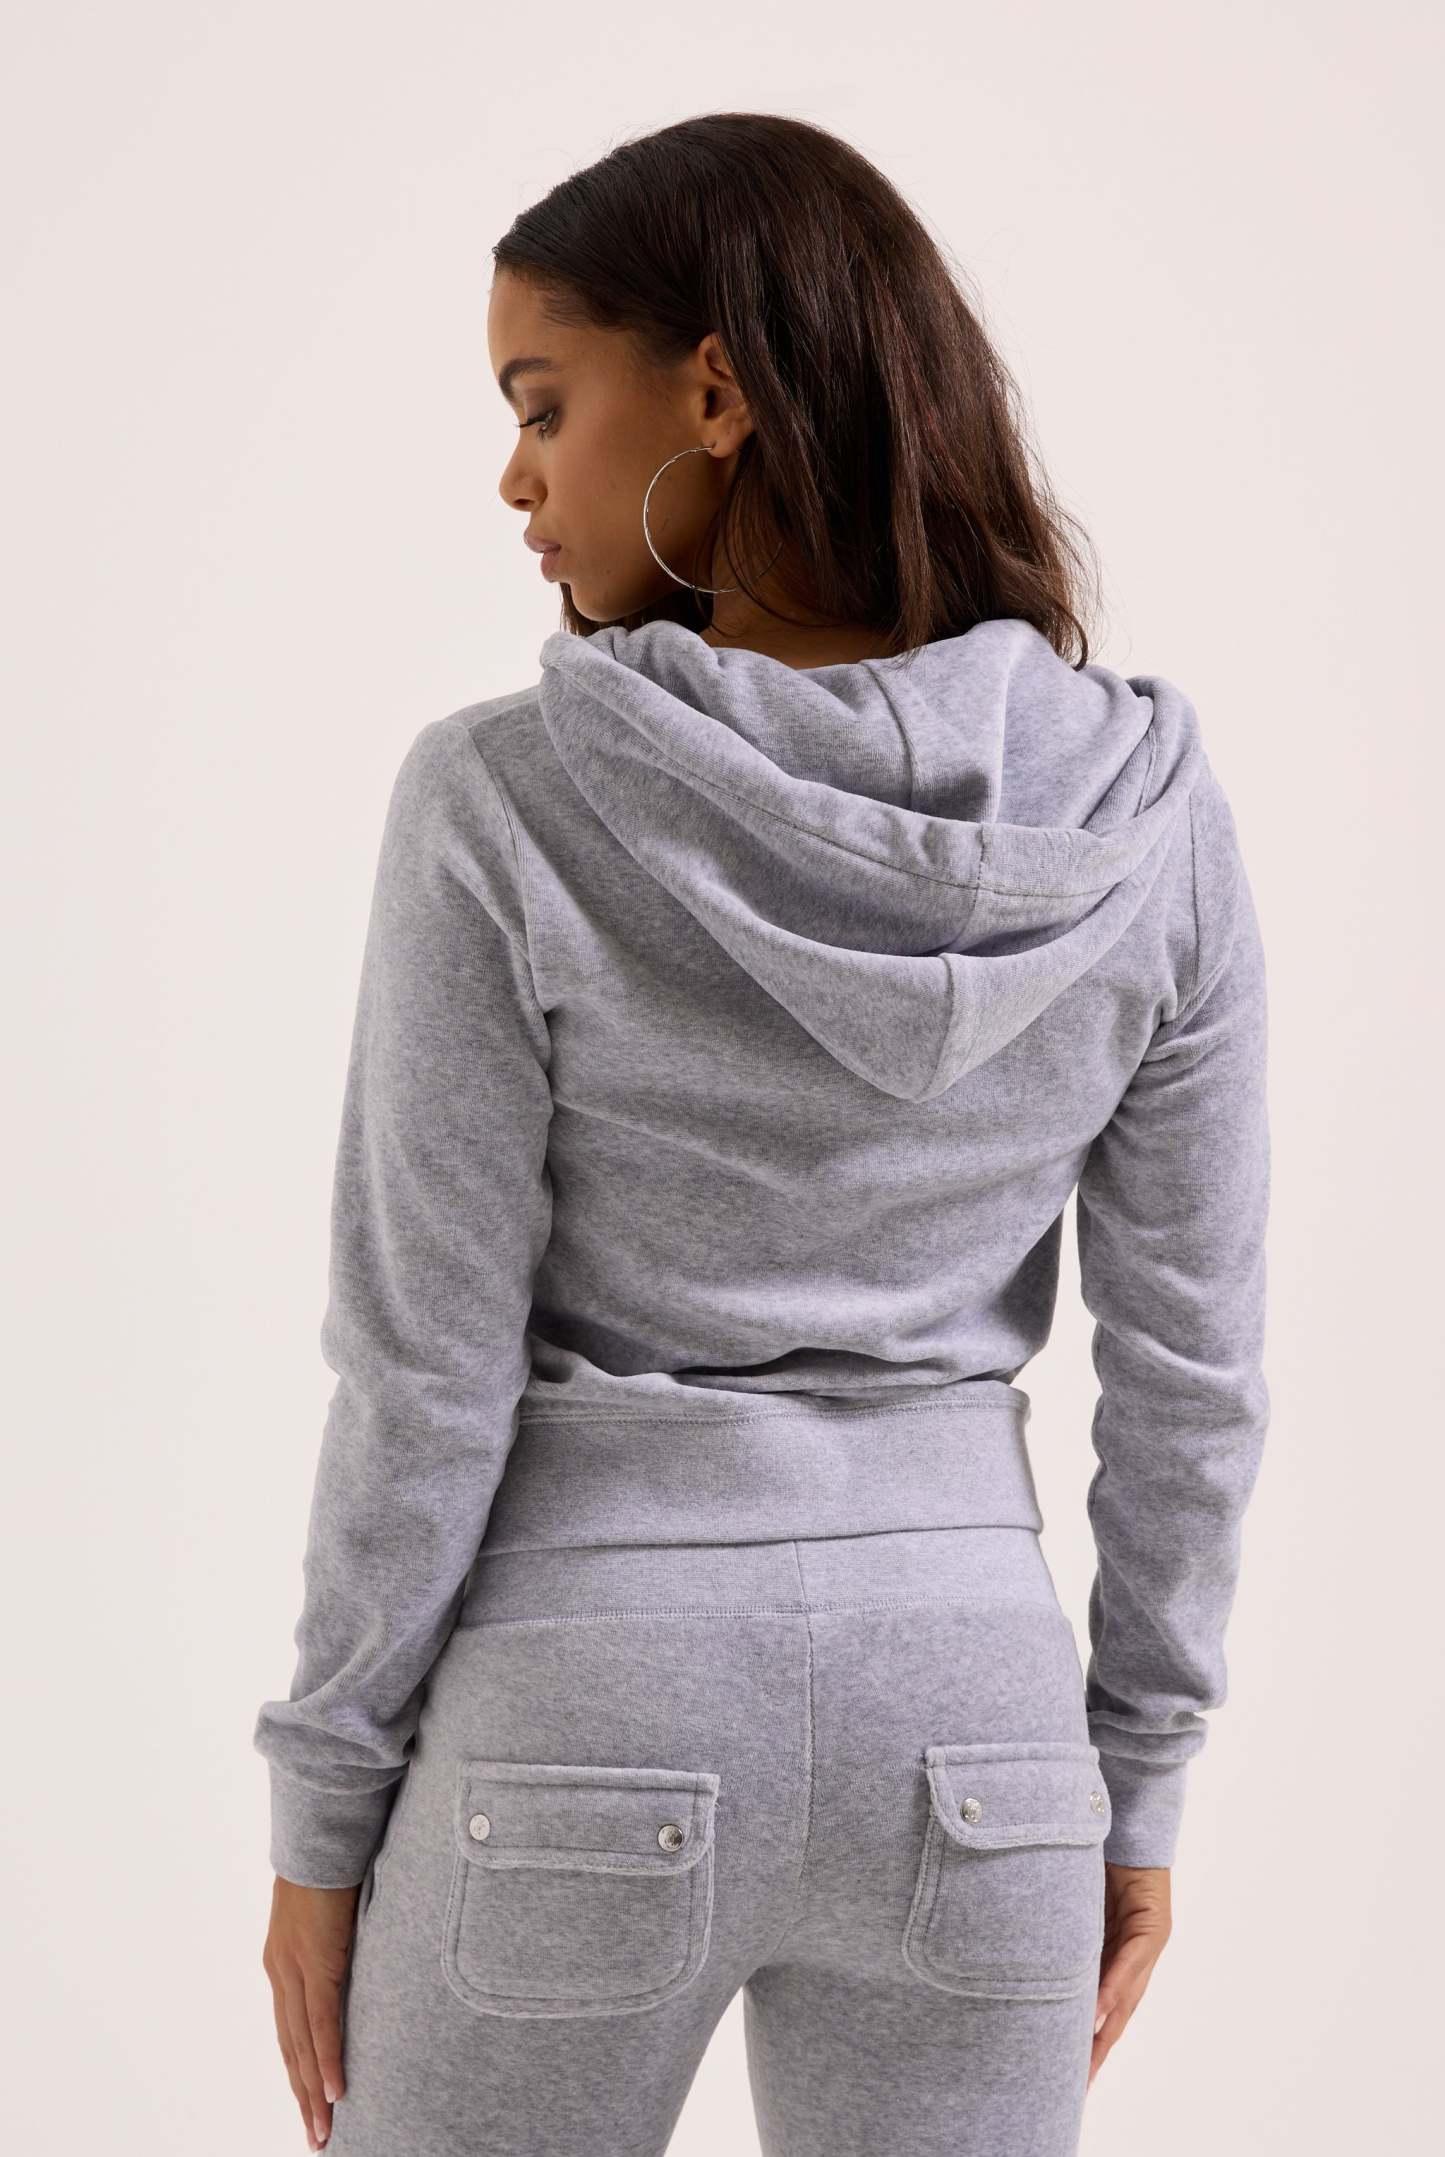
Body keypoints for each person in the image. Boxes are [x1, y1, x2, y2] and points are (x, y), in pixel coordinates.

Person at [254, 111, 1270, 2157]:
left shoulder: (504, 801)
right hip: (981, 1736)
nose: (516, 477)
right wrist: (1137, 1773)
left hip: (581, 1708)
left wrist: (323, 1800)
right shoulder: (1146, 818)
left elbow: (425, 1369)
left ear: (712, 392)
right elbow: (1191, 1375)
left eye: (544, 402)